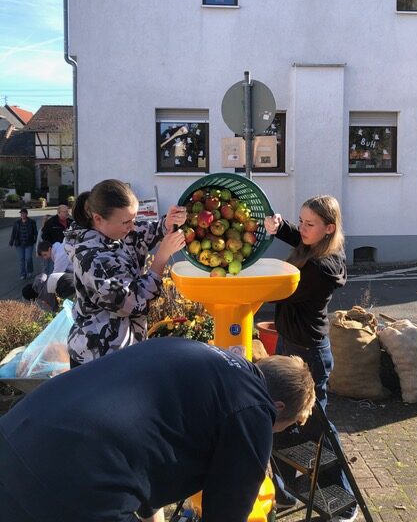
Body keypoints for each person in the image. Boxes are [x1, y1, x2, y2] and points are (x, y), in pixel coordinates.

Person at [0, 337, 316, 522]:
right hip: (77, 481)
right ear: (277, 408)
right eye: (279, 429)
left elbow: (147, 428)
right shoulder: (254, 409)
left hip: (17, 433)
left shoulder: (198, 354)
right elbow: (227, 514)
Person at [265, 195, 358, 522]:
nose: (302, 228)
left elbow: (279, 290)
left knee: (314, 430)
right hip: (289, 344)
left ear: (329, 228)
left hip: (309, 355)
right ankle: (284, 492)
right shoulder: (316, 247)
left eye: (309, 224)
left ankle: (344, 503)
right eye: (300, 221)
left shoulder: (322, 267)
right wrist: (282, 229)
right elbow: (301, 239)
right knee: (279, 422)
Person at [63, 179, 186, 367]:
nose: (132, 226)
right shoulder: (92, 258)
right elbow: (131, 302)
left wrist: (166, 224)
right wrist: (160, 259)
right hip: (100, 358)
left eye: (135, 218)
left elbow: (143, 233)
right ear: (97, 219)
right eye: (126, 222)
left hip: (125, 351)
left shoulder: (115, 231)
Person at [8, 208, 38, 280]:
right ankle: (23, 274)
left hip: (29, 243)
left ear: (26, 214)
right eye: (21, 213)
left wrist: (36, 241)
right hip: (19, 244)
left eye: (23, 213)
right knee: (21, 259)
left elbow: (35, 233)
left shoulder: (32, 222)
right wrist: (11, 241)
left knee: (28, 258)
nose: (22, 215)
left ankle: (30, 271)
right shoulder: (17, 223)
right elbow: (14, 233)